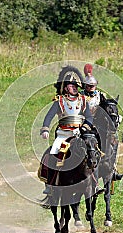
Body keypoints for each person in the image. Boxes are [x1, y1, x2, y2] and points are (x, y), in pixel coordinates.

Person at [40, 66, 94, 194]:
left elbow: (89, 117)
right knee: (52, 154)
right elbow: (49, 116)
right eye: (71, 85)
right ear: (65, 87)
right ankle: (50, 183)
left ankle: (96, 180)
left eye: (76, 85)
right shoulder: (59, 101)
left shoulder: (83, 100)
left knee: (94, 151)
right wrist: (45, 129)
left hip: (80, 134)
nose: (75, 87)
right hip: (63, 135)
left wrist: (85, 127)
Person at [81, 64, 123, 182]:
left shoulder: (101, 95)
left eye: (93, 86)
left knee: (113, 142)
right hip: (83, 126)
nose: (91, 88)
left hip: (99, 126)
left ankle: (113, 169)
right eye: (89, 86)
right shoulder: (80, 96)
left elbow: (107, 110)